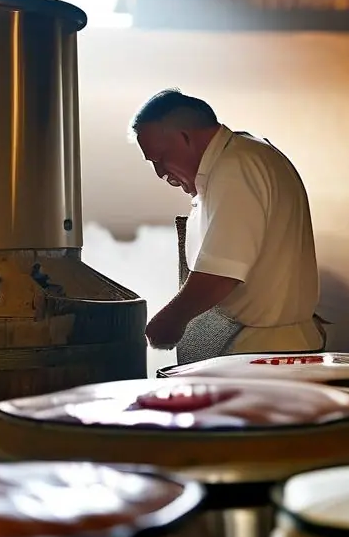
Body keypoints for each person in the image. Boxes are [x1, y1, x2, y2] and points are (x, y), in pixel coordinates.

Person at [130, 88, 326, 360]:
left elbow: (221, 274)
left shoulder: (236, 166)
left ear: (184, 137)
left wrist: (167, 323)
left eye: (160, 158)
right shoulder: (245, 155)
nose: (160, 172)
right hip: (272, 348)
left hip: (265, 354)